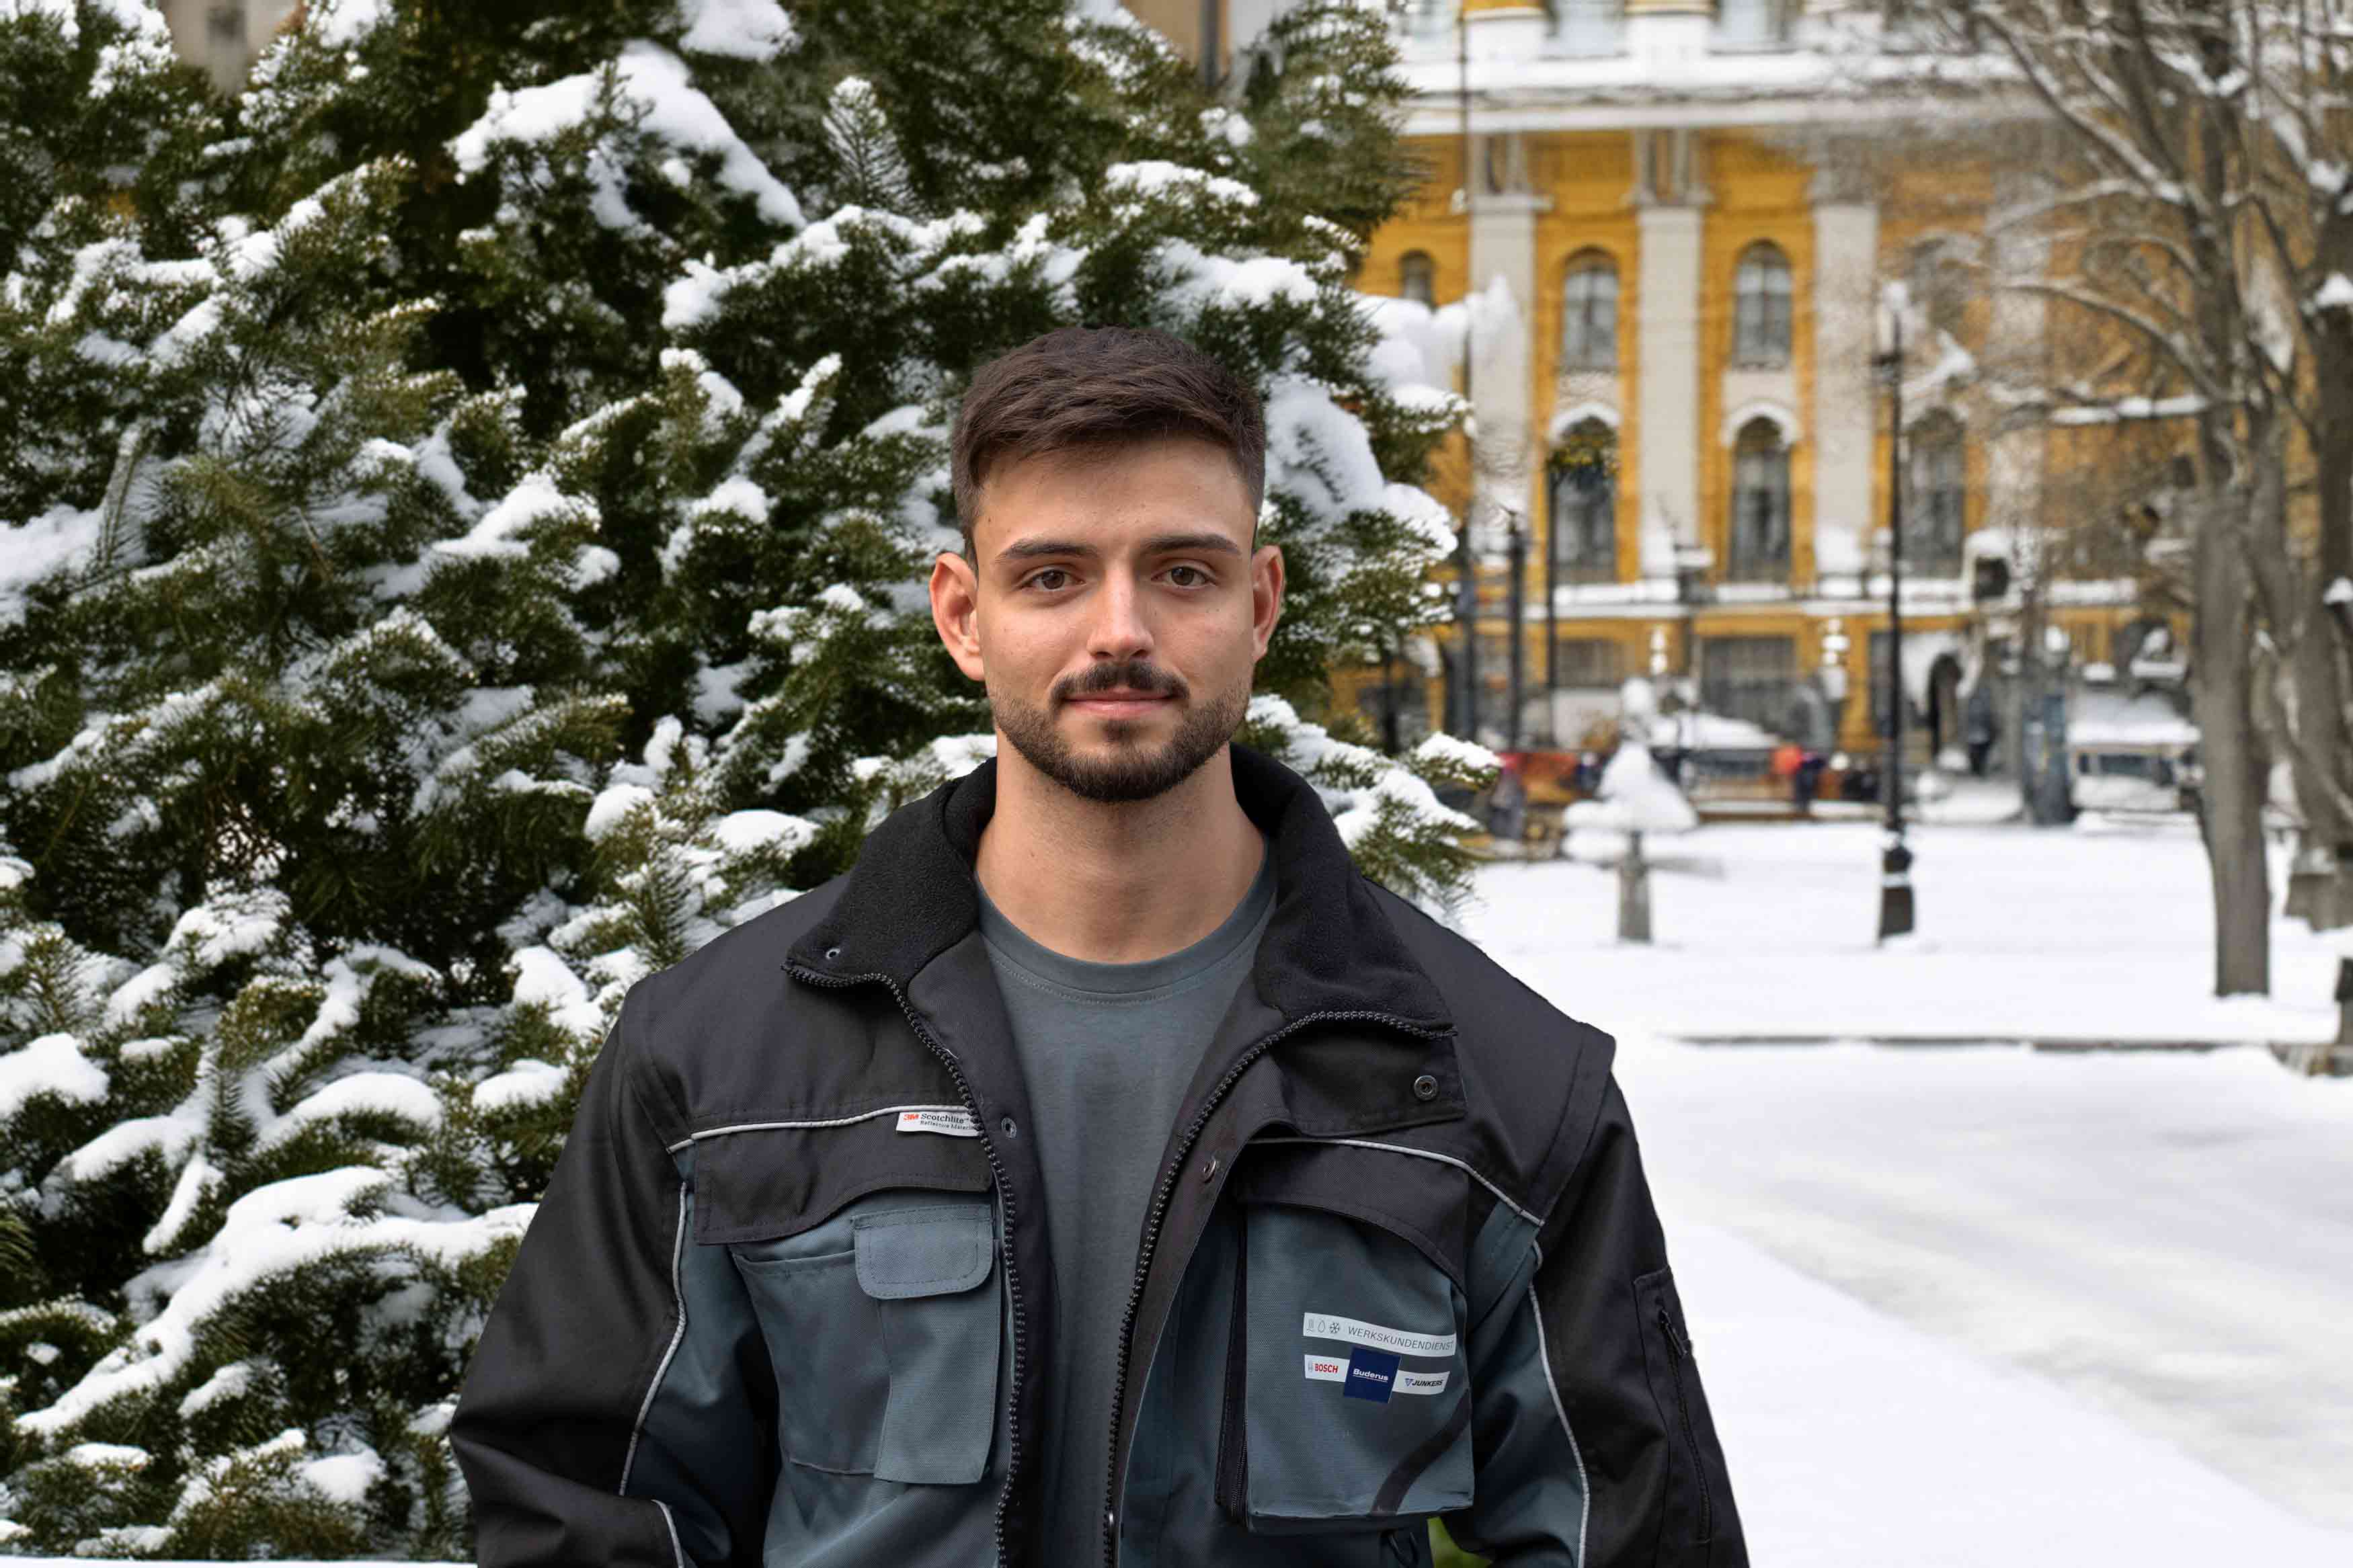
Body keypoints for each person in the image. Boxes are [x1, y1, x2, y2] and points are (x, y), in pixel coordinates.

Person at [448, 327, 1745, 1567]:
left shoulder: (1501, 1089)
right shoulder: (719, 1066)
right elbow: (586, 1507)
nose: (1118, 629)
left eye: (1181, 571)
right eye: (1052, 575)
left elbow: (1633, 1539)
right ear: (963, 615)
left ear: (1260, 600)